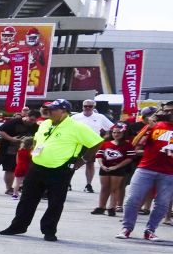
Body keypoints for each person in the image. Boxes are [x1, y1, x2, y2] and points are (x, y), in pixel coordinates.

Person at [0, 99, 103, 241]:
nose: (50, 111)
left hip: (60, 169)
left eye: (54, 109)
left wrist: (82, 160)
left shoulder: (76, 126)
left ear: (64, 111)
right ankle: (18, 226)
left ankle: (49, 230)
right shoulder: (45, 123)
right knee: (27, 199)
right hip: (37, 165)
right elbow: (38, 140)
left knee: (55, 202)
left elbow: (96, 142)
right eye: (49, 108)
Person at [116, 103, 173, 240]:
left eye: (170, 111)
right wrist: (148, 128)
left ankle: (150, 230)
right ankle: (126, 228)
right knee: (133, 198)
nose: (168, 113)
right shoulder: (155, 125)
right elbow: (135, 143)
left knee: (162, 203)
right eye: (166, 110)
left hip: (169, 172)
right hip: (146, 168)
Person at [70, 99, 113, 193]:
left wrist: (103, 139)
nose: (87, 108)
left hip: (91, 144)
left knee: (90, 163)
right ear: (82, 106)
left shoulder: (100, 117)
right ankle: (68, 182)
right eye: (86, 106)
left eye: (90, 106)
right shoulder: (75, 117)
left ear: (94, 107)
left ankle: (88, 184)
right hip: (77, 143)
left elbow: (111, 128)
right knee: (72, 163)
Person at [92, 125, 133, 217]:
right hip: (105, 168)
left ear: (123, 133)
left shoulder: (128, 145)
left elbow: (129, 158)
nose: (116, 134)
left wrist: (117, 167)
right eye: (114, 132)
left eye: (119, 132)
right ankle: (101, 207)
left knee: (114, 188)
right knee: (104, 188)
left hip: (118, 169)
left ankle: (111, 207)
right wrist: (102, 165)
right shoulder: (106, 143)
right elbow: (99, 155)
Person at [0, 107, 37, 195]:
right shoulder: (14, 122)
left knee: (10, 169)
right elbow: (0, 131)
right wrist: (11, 139)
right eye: (31, 119)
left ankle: (9, 188)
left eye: (34, 121)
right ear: (26, 116)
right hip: (2, 147)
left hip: (15, 151)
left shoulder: (35, 126)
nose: (32, 122)